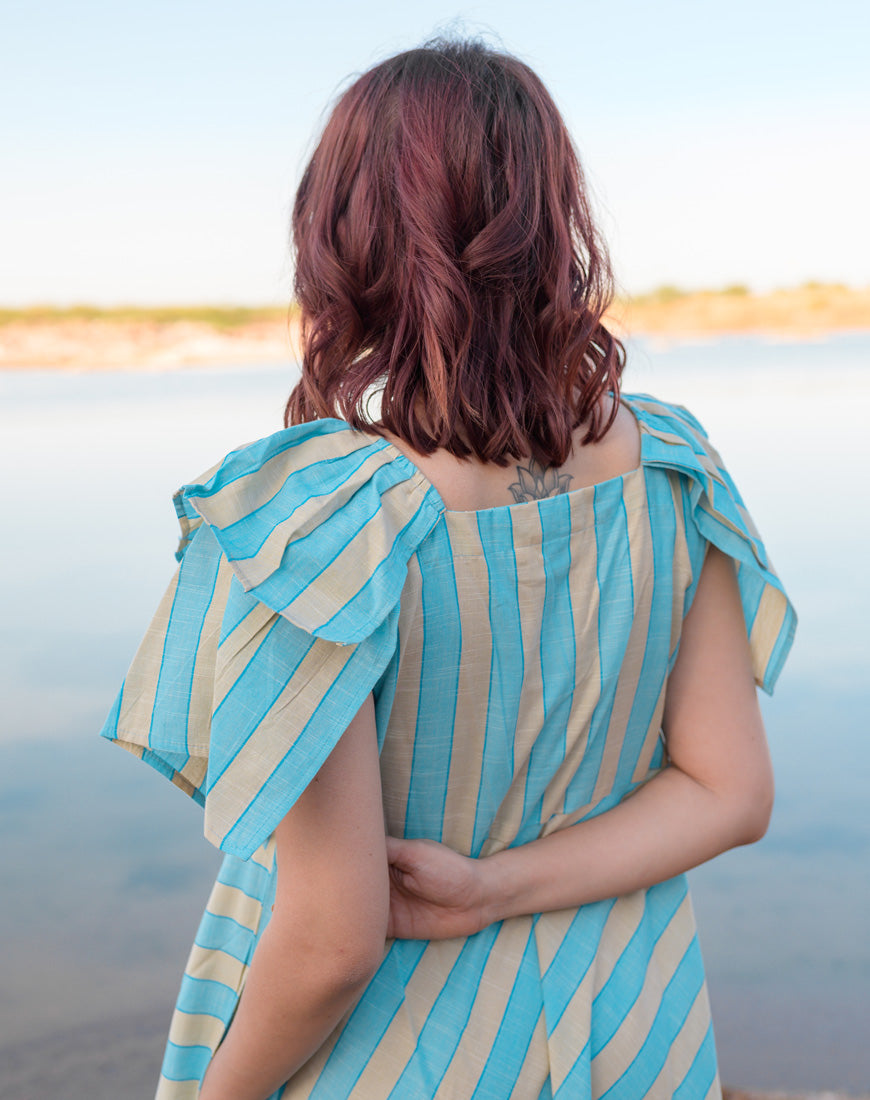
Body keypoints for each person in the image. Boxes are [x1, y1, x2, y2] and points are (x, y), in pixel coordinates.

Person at [100, 38, 796, 1100]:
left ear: (347, 231)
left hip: (394, 1060)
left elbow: (333, 940)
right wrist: (494, 886)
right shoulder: (671, 467)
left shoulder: (322, 522)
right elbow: (730, 790)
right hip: (631, 1036)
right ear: (552, 218)